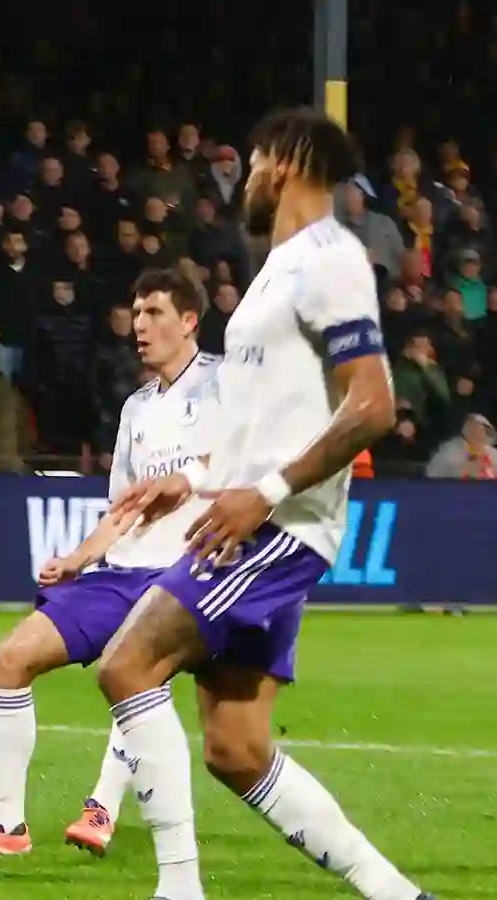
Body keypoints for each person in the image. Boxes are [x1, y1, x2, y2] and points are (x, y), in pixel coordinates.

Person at [104, 109, 434, 900]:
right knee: (237, 748)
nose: (244, 178)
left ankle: (178, 890)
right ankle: (398, 895)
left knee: (127, 663)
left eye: (251, 161)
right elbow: (272, 420)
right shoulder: (280, 268)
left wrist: (269, 494)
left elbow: (373, 402)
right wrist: (199, 483)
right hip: (249, 518)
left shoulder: (330, 258)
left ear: (284, 162)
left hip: (278, 530)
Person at [0, 269, 220, 860]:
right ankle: (6, 829)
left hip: (191, 573)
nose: (139, 326)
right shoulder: (137, 408)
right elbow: (123, 507)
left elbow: (251, 459)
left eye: (154, 313)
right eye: (136, 313)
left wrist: (189, 478)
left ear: (189, 320)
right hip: (122, 571)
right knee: (8, 659)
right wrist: (79, 558)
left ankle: (102, 805)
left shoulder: (228, 385)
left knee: (135, 673)